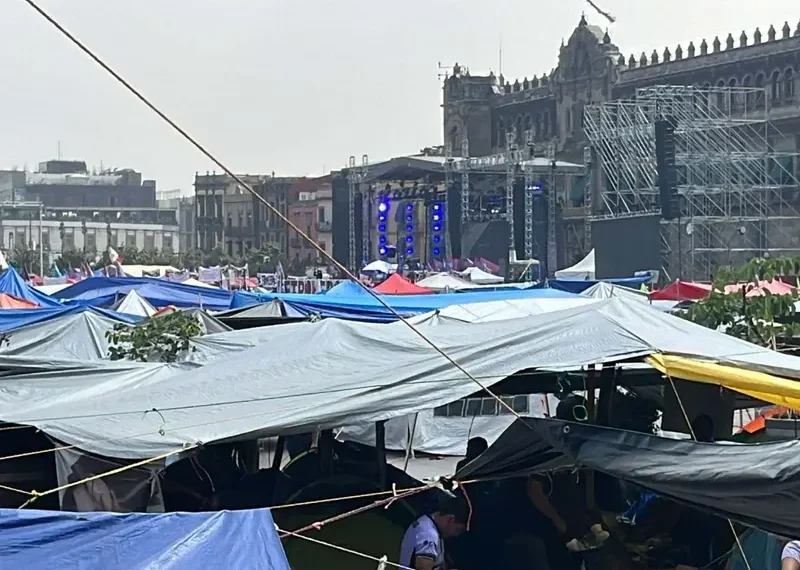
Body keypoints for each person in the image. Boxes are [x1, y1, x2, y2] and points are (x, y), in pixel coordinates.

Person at [400, 497, 468, 570]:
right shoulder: (429, 535)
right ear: (450, 519)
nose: (456, 535)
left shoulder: (428, 522)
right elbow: (423, 568)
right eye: (457, 529)